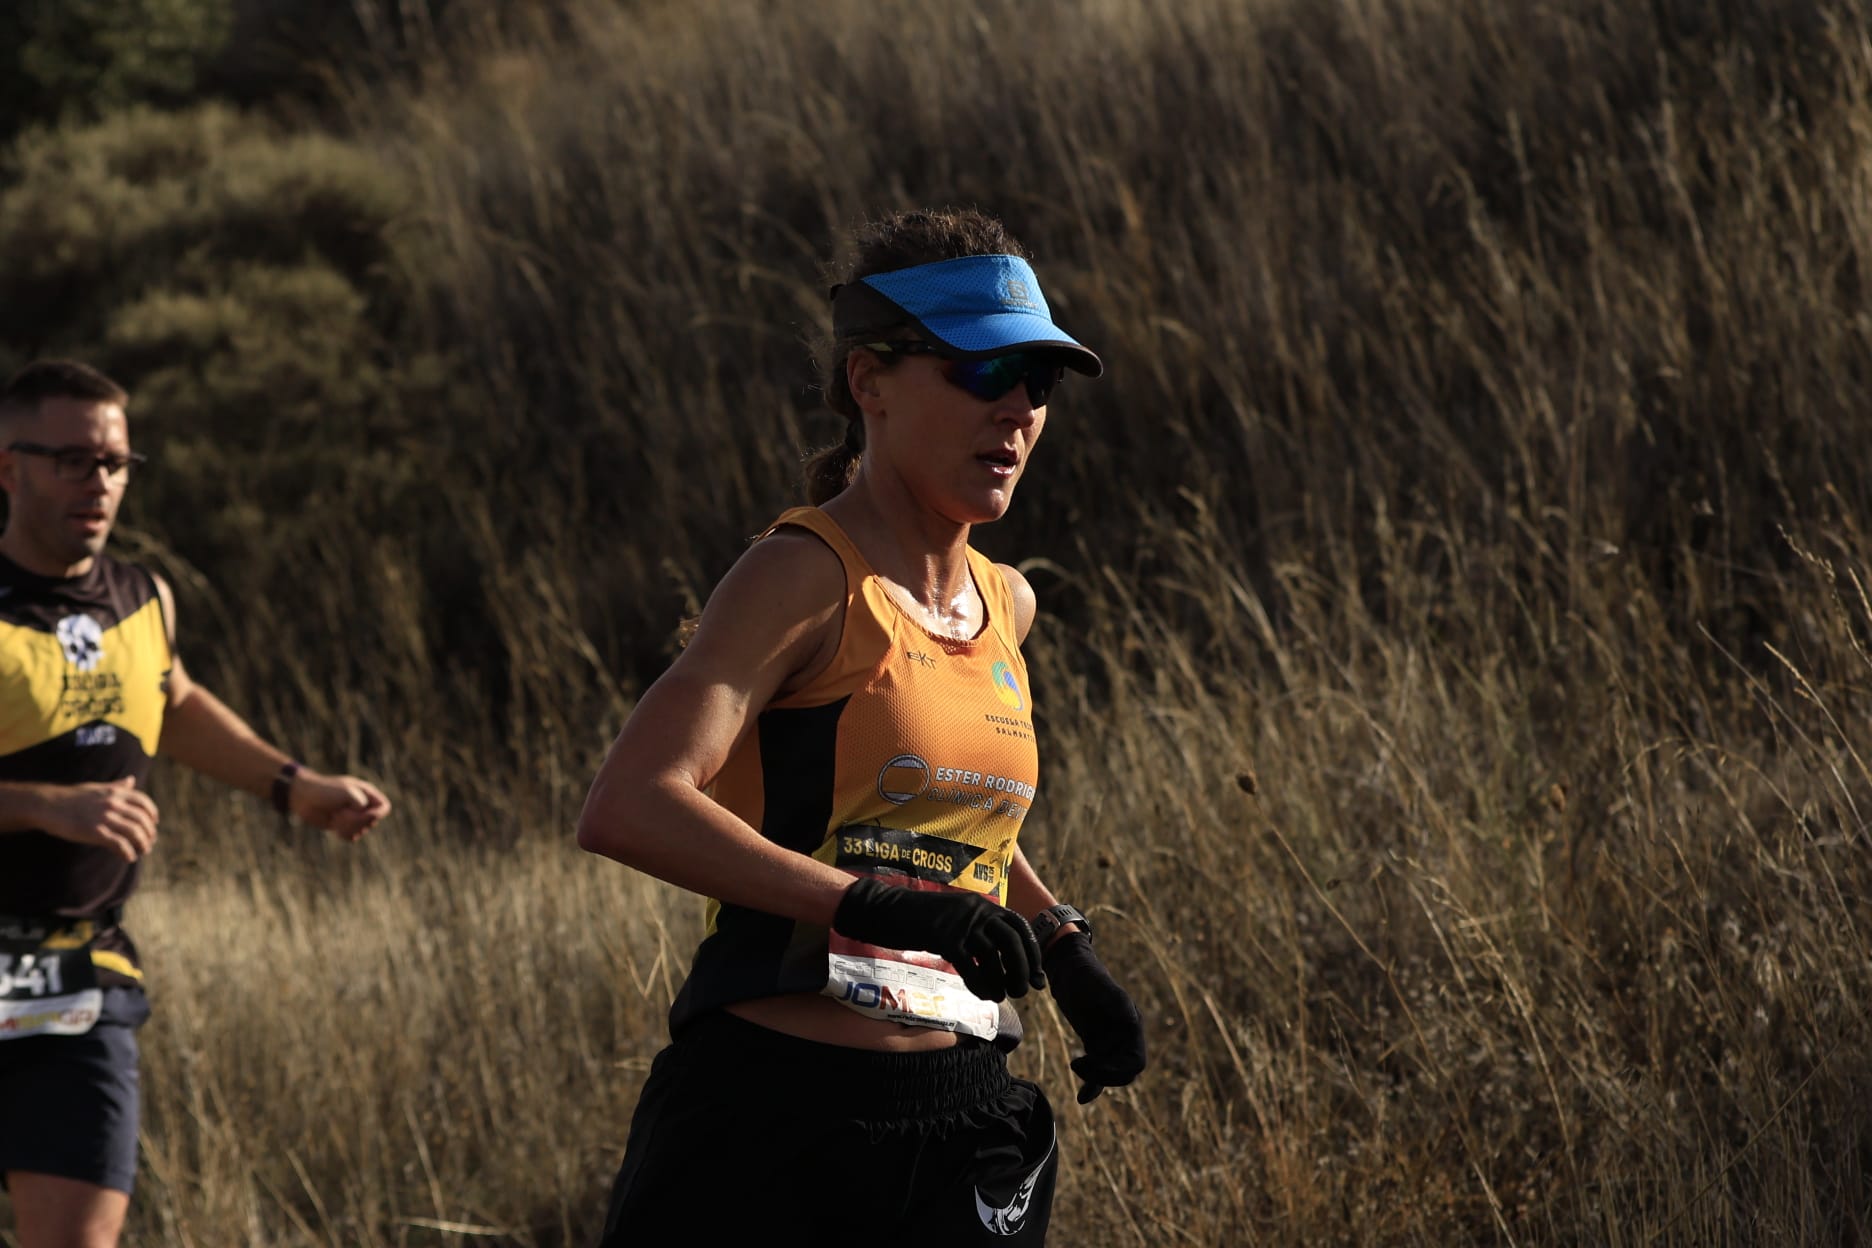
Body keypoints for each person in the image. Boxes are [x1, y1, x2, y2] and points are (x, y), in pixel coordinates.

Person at [577, 207, 1147, 1245]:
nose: (1017, 409)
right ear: (867, 381)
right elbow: (629, 807)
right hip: (771, 1116)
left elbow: (955, 818)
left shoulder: (1005, 603)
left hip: (965, 1111)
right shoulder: (801, 577)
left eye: (1040, 381)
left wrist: (1064, 948)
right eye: (980, 371)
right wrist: (877, 906)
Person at [0, 359, 392, 1248]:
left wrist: (295, 787)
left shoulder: (143, 597)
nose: (98, 483)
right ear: (8, 468)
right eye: (71, 460)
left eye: (116, 463)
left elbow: (171, 700)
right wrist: (41, 805)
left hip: (77, 979)